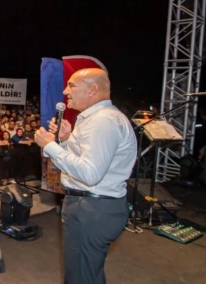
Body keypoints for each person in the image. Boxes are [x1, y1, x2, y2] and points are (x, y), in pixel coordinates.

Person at [34, 68, 136, 284]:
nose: (65, 90)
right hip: (93, 206)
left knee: (80, 277)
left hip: (91, 209)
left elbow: (90, 174)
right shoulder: (98, 119)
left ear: (93, 89)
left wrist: (51, 146)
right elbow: (87, 160)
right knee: (87, 274)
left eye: (71, 85)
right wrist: (65, 140)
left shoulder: (103, 121)